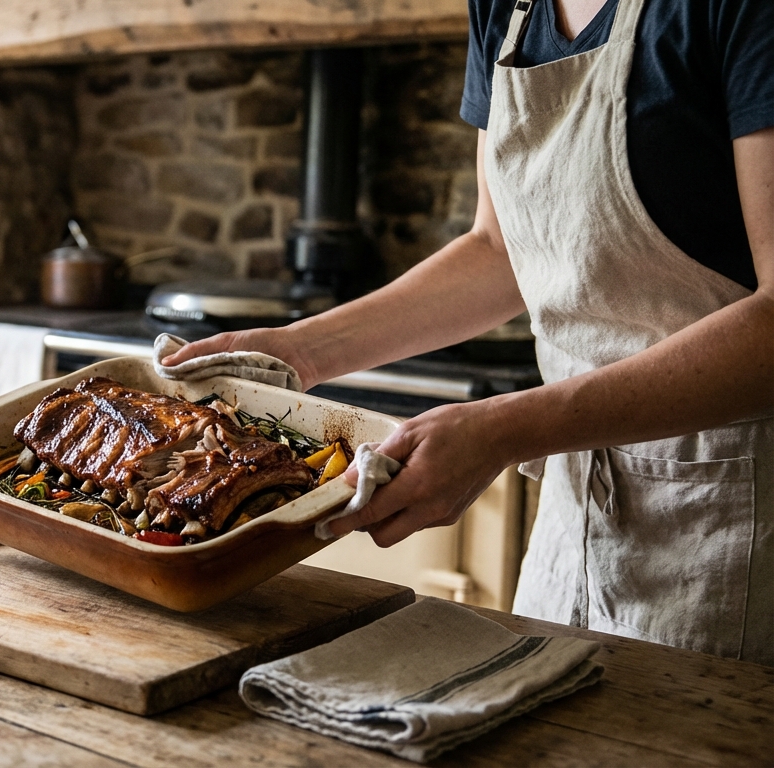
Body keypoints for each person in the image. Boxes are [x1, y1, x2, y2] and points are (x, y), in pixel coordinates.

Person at [163, 0, 774, 664]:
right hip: (571, 520)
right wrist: (297, 351)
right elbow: (498, 250)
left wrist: (507, 429)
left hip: (731, 526)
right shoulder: (505, 9)